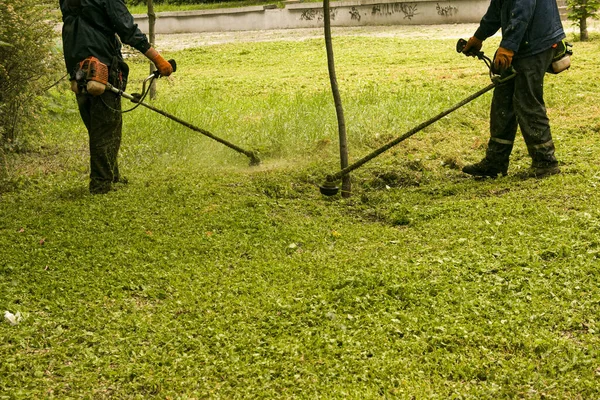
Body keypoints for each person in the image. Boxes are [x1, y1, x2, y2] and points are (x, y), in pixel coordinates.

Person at [60, 0, 173, 194]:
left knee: (97, 127)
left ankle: (112, 175)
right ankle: (101, 184)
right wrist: (158, 59)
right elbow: (127, 29)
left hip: (78, 70)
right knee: (106, 129)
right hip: (102, 66)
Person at [461, 0, 566, 178]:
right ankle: (495, 162)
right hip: (522, 42)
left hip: (535, 43)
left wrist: (508, 46)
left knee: (527, 102)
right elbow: (497, 9)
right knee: (503, 102)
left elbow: (523, 9)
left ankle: (545, 162)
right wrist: (478, 37)